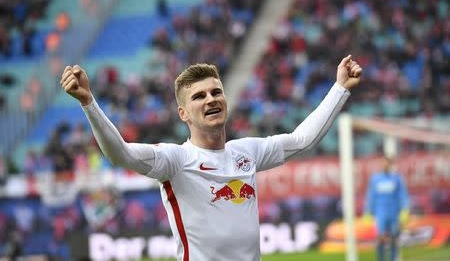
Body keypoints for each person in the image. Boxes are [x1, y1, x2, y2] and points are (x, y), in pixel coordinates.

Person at [60, 55, 362, 260]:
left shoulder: (247, 153)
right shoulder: (175, 160)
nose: (211, 99)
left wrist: (339, 89)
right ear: (183, 114)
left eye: (216, 92)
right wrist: (88, 102)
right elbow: (120, 154)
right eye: (199, 96)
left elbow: (301, 140)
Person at [364, 157, 410, 261]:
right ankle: (380, 259)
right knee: (380, 238)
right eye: (383, 163)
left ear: (390, 165)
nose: (384, 166)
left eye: (387, 164)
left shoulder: (397, 178)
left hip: (394, 213)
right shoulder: (375, 179)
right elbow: (371, 196)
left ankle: (393, 258)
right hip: (380, 213)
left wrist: (405, 209)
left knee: (394, 238)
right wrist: (368, 211)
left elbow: (402, 195)